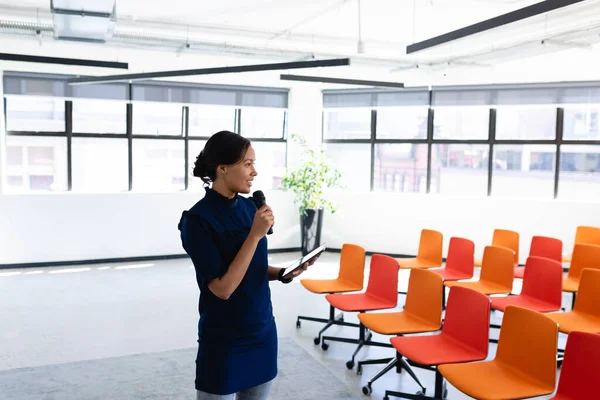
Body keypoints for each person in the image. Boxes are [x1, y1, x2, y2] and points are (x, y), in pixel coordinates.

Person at [178, 130, 318, 400]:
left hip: (262, 330)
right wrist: (255, 235)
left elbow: (251, 267)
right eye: (247, 164)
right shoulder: (196, 221)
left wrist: (284, 273)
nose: (255, 172)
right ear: (223, 168)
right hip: (225, 339)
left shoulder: (248, 209)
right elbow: (223, 288)